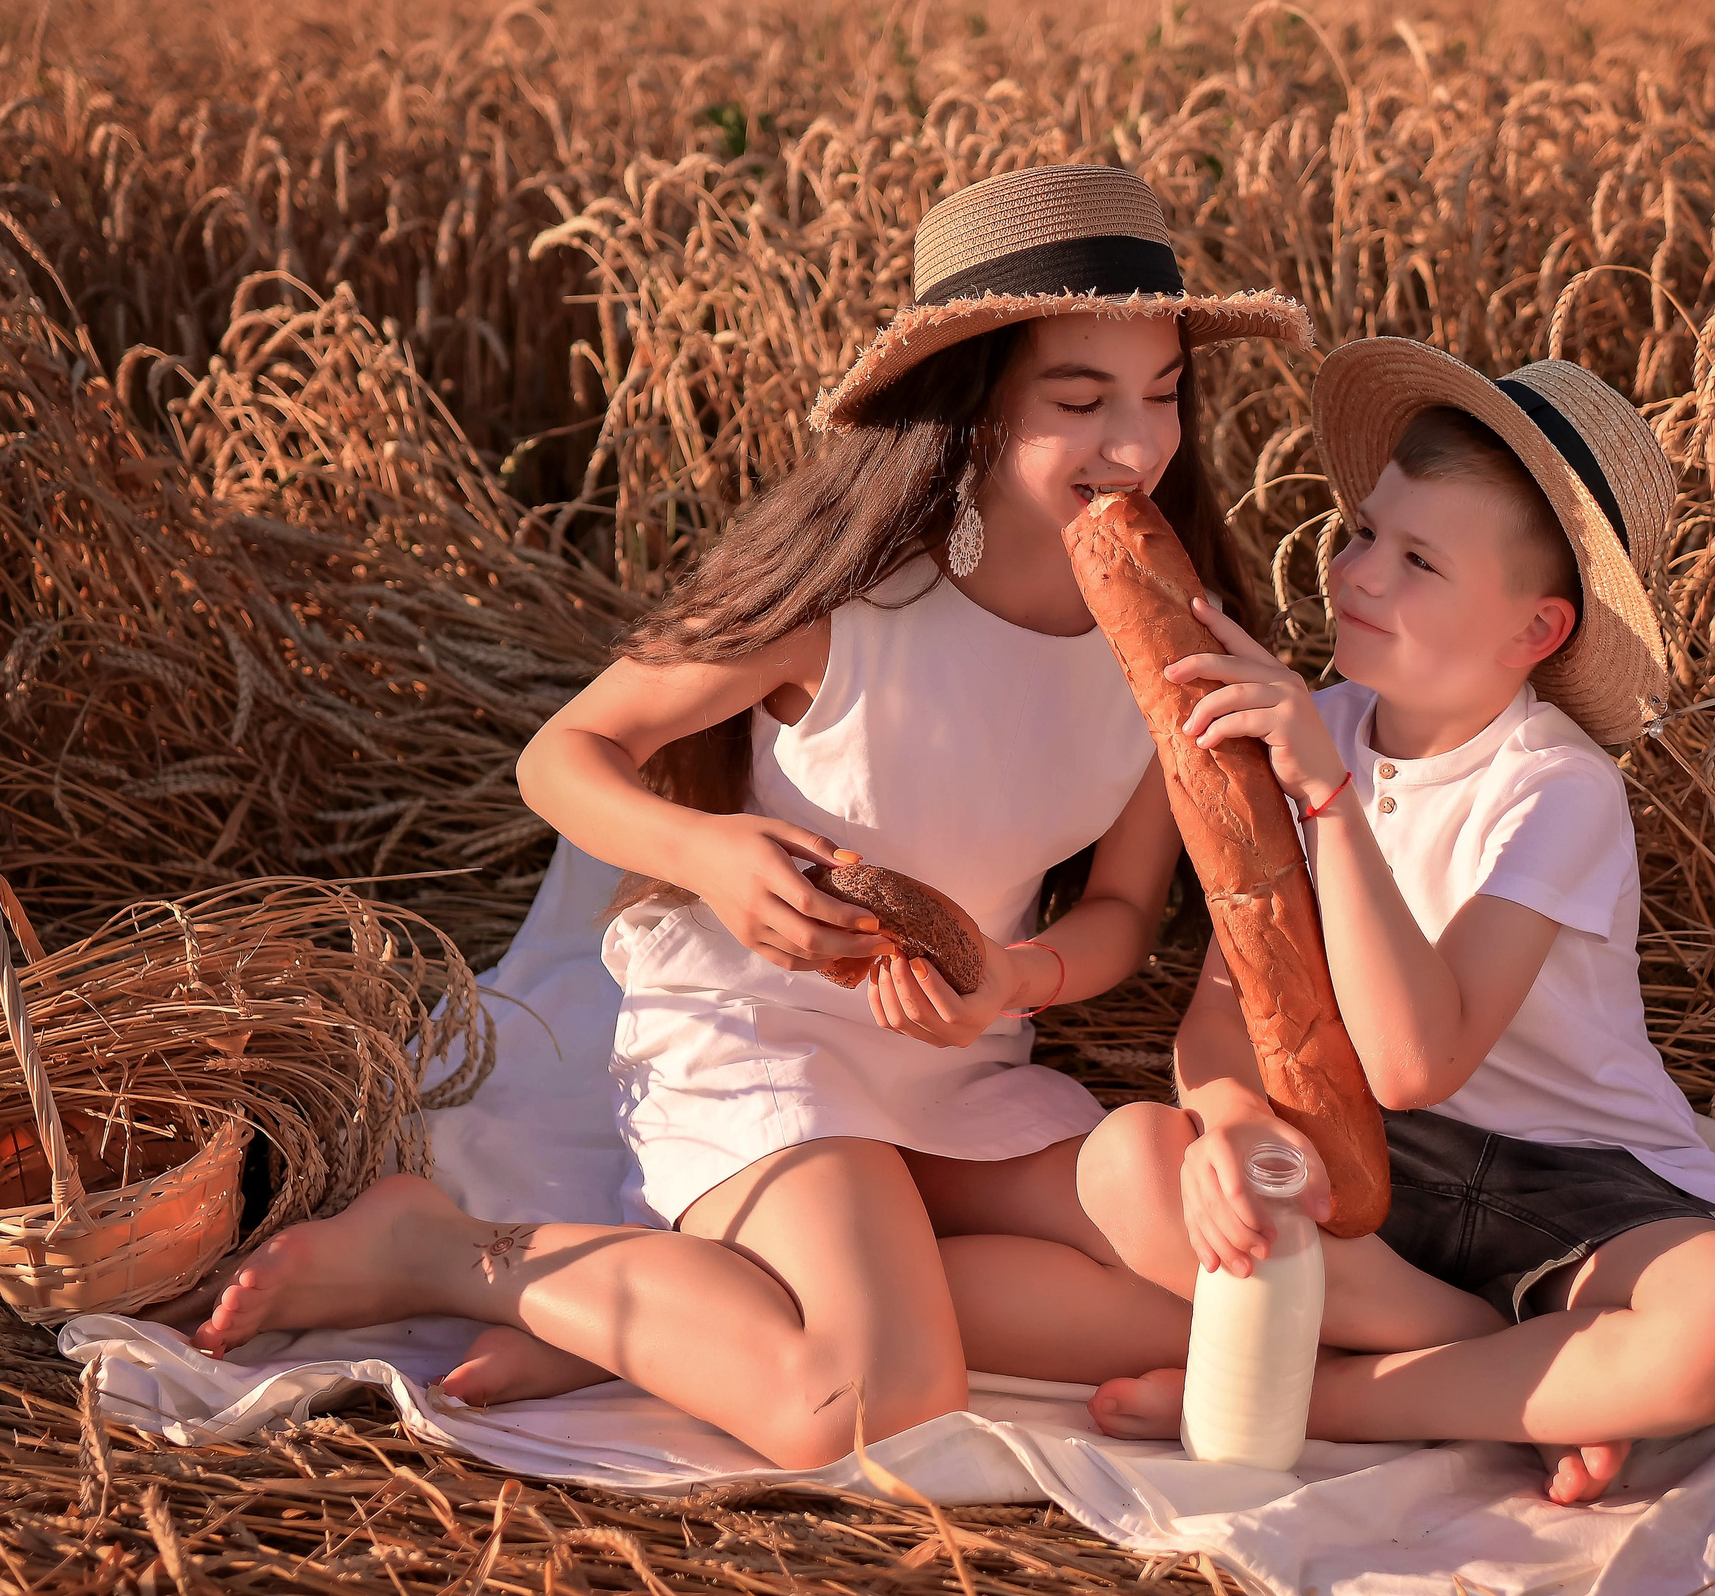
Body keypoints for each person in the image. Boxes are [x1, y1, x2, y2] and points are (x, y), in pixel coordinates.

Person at [154, 164, 1314, 1470]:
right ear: (974, 409)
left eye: (1162, 394)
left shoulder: (1171, 637)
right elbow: (566, 754)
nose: (1136, 445)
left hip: (960, 1058)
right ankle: (451, 1250)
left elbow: (1116, 912)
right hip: (760, 1038)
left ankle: (653, 1309)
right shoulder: (848, 601)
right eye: (1079, 398)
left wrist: (1012, 972)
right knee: (874, 1395)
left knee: (1199, 1300)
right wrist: (706, 851)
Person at [1073, 340, 1715, 1504]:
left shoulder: (1553, 789)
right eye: (1365, 531)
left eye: (1419, 560)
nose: (1358, 575)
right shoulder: (1311, 719)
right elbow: (1228, 1005)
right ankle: (1508, 1372)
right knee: (1127, 1160)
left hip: (1575, 1184)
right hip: (1384, 1182)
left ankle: (1318, 1394)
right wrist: (1220, 1117)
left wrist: (1328, 796)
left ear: (1534, 632)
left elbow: (1418, 1058)